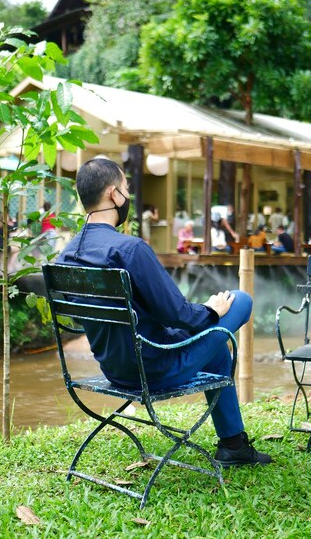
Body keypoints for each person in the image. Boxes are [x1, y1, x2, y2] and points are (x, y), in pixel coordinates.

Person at [58, 158, 271, 467]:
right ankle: (234, 446)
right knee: (240, 300)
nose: (128, 196)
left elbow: (82, 319)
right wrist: (211, 311)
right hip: (154, 367)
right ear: (113, 194)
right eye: (127, 189)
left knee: (216, 353)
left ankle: (234, 446)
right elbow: (177, 314)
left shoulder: (67, 255)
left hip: (114, 369)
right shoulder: (129, 249)